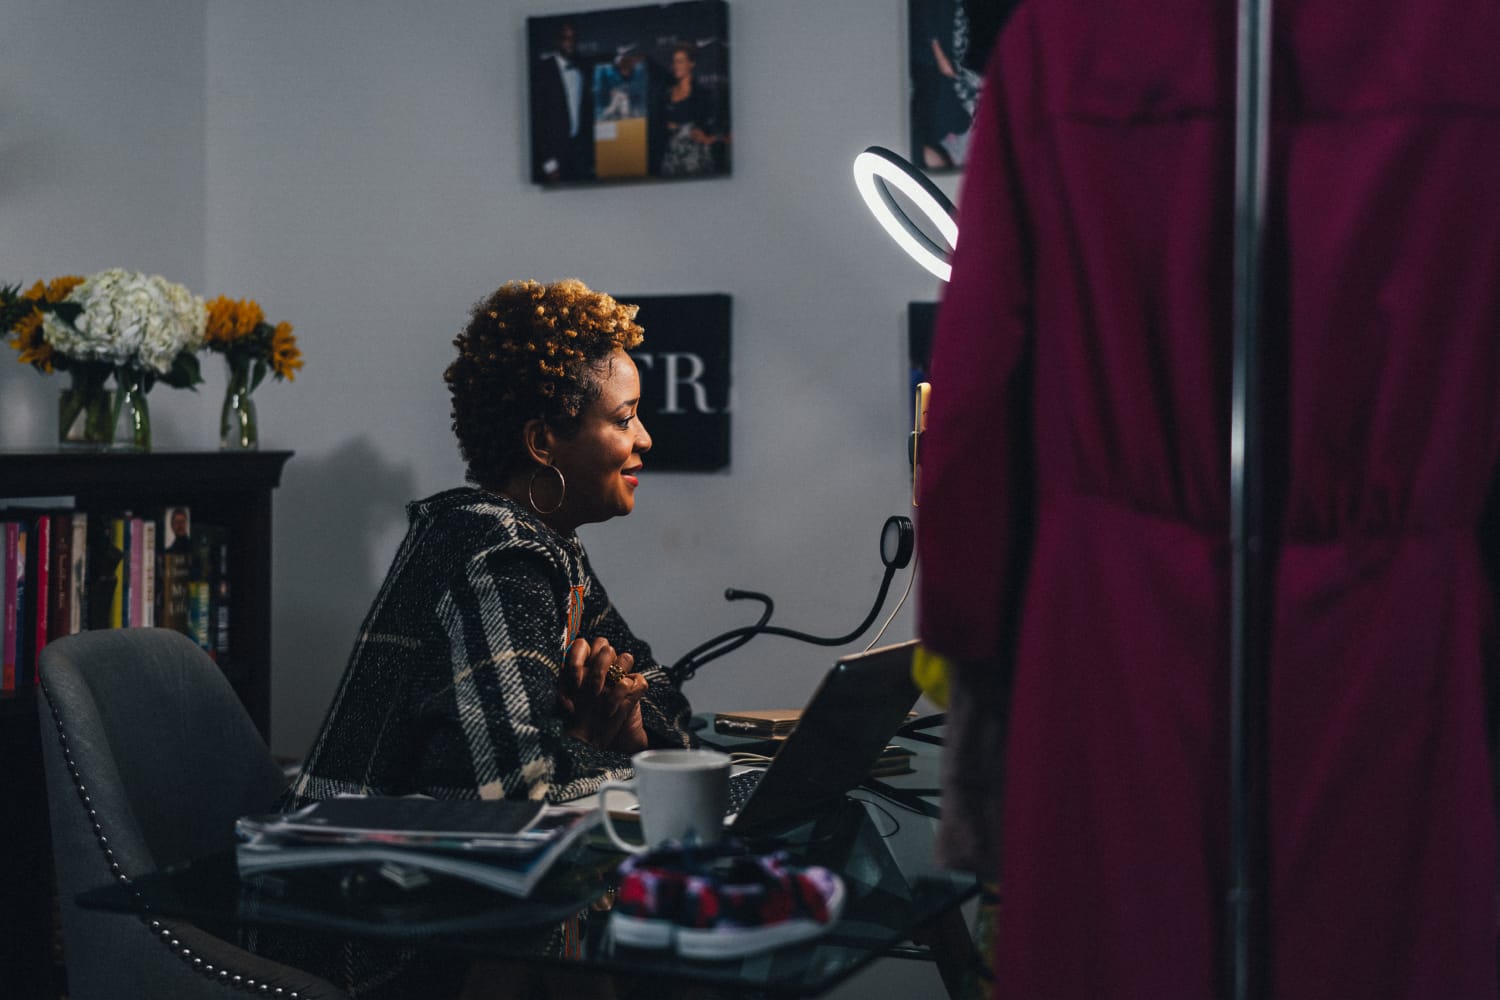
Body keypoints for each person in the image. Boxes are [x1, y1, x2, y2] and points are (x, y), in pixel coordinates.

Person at [916, 3, 1499, 999]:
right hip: (1397, 629)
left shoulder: (1063, 43)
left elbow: (974, 401)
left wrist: (972, 671)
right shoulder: (1474, 43)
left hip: (1111, 632)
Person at [277, 278, 696, 997]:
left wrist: (625, 720)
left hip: (460, 920)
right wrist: (610, 744)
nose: (645, 438)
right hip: (372, 948)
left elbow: (666, 706)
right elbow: (514, 796)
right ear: (542, 441)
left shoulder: (552, 549)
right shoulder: (493, 552)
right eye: (624, 418)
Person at [531, 22, 594, 183]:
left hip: (579, 153)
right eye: (566, 38)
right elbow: (537, 120)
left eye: (573, 38)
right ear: (557, 41)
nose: (570, 42)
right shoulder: (543, 71)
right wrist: (549, 163)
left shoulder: (582, 67)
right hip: (555, 156)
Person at [653, 44, 726, 178]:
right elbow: (658, 125)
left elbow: (720, 128)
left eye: (681, 61)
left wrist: (710, 138)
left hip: (695, 157)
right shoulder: (665, 94)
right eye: (674, 61)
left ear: (691, 63)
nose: (676, 65)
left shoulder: (703, 94)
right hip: (670, 158)